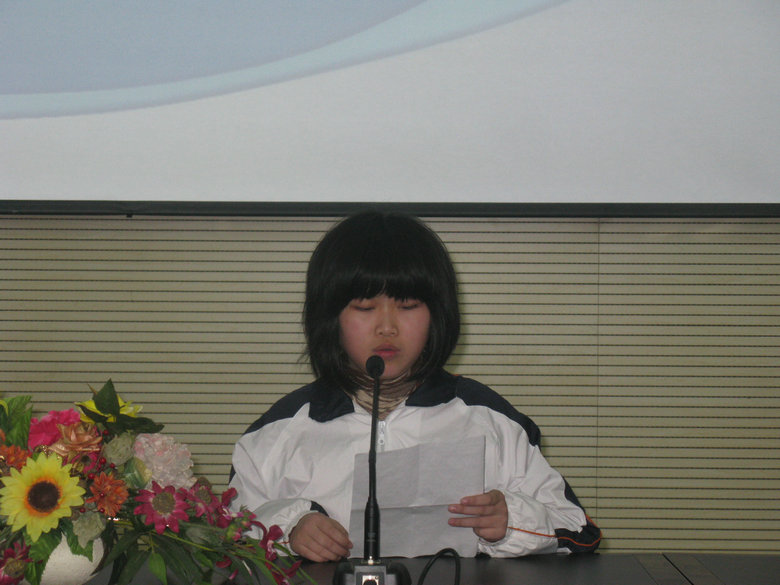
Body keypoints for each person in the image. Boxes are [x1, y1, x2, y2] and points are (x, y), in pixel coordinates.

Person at [229, 210, 601, 562]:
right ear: (330, 317)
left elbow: (577, 530)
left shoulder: (489, 418)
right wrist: (289, 528)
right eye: (365, 307)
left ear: (437, 313)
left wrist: (511, 522)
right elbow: (225, 533)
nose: (387, 327)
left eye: (407, 305)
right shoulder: (278, 430)